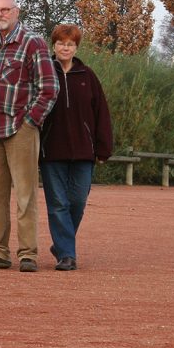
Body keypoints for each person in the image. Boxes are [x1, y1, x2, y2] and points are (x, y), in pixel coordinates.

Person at [0, 0, 59, 273]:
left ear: (16, 12)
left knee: (25, 194)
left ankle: (28, 254)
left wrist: (31, 121)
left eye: (5, 9)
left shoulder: (33, 43)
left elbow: (49, 88)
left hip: (19, 128)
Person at [39, 25, 113, 271]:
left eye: (70, 44)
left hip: (84, 151)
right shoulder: (43, 73)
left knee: (78, 201)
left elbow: (101, 113)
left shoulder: (87, 76)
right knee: (58, 203)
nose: (65, 47)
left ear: (77, 48)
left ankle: (62, 243)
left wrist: (103, 148)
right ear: (54, 45)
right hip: (51, 151)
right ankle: (67, 256)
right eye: (61, 43)